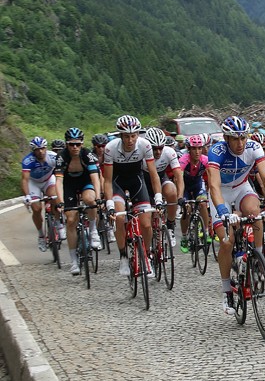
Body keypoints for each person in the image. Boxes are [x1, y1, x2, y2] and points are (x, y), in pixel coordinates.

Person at [207, 116, 265, 315]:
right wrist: (222, 210)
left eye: (243, 138)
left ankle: (258, 259)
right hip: (220, 192)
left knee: (255, 213)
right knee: (226, 242)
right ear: (226, 138)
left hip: (241, 188)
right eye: (235, 139)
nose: (240, 143)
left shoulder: (254, 147)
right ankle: (226, 291)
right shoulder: (217, 151)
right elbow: (213, 185)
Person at [104, 115, 162, 277]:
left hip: (137, 182)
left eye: (133, 135)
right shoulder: (110, 148)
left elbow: (153, 175)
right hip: (118, 184)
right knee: (120, 218)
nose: (130, 140)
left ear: (138, 134)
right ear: (120, 136)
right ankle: (123, 256)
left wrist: (157, 197)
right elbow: (107, 181)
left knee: (146, 223)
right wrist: (109, 204)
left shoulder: (145, 145)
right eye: (126, 136)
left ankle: (147, 254)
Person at [54, 128, 102, 275]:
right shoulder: (61, 158)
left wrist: (99, 198)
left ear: (82, 144)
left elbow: (95, 178)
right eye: (71, 144)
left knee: (90, 199)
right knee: (70, 219)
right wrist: (61, 202)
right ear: (67, 145)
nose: (75, 147)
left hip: (85, 181)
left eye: (78, 144)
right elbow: (59, 182)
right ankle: (74, 260)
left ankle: (93, 230)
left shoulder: (87, 155)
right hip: (68, 185)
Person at [142, 127, 184, 247]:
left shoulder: (169, 152)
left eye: (161, 148)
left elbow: (179, 176)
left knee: (172, 192)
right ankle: (148, 247)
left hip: (161, 178)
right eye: (154, 148)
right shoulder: (142, 152)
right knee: (149, 217)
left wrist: (180, 196)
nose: (158, 152)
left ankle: (170, 226)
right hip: (144, 181)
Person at [21, 136, 61, 251]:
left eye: (42, 148)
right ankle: (41, 235)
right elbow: (25, 179)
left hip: (48, 180)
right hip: (34, 183)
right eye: (37, 149)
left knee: (54, 197)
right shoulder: (28, 161)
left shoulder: (53, 156)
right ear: (33, 151)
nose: (40, 151)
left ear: (46, 148)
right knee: (36, 209)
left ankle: (59, 224)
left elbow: (61, 172)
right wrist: (27, 196)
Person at [178, 135, 210, 253]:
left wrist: (211, 193)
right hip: (185, 186)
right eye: (194, 149)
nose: (197, 152)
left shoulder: (205, 160)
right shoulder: (183, 160)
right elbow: (179, 179)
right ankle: (184, 236)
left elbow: (211, 178)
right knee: (187, 209)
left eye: (199, 148)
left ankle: (206, 232)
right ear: (188, 149)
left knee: (202, 204)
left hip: (197, 184)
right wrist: (180, 196)